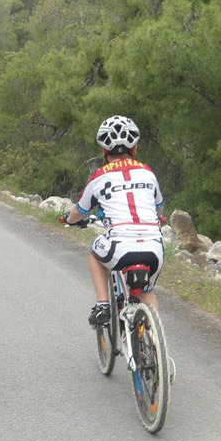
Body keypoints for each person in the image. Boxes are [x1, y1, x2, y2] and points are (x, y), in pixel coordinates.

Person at [63, 116, 165, 327]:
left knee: (94, 252)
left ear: (104, 151)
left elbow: (79, 211)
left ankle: (102, 305)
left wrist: (68, 219)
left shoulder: (99, 176)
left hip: (120, 245)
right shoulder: (148, 173)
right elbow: (159, 209)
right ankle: (154, 340)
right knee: (147, 291)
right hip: (154, 247)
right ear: (135, 148)